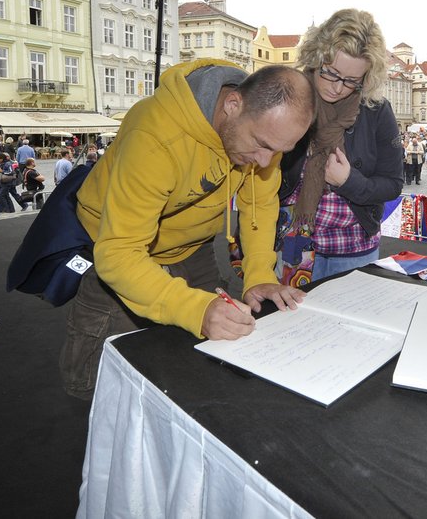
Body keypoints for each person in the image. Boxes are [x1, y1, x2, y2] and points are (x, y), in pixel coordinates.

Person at [60, 60, 316, 400]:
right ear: (232, 105)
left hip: (194, 249)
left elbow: (259, 203)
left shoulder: (263, 130)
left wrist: (258, 275)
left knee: (203, 367)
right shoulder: (154, 133)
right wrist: (196, 309)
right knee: (104, 383)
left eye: (280, 151)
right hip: (117, 253)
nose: (266, 162)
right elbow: (119, 254)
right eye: (262, 145)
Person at [274, 8, 402, 284]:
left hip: (353, 250)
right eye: (331, 73)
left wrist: (348, 182)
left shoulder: (376, 110)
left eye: (351, 81)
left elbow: (392, 184)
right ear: (316, 57)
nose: (337, 87)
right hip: (291, 246)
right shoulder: (289, 98)